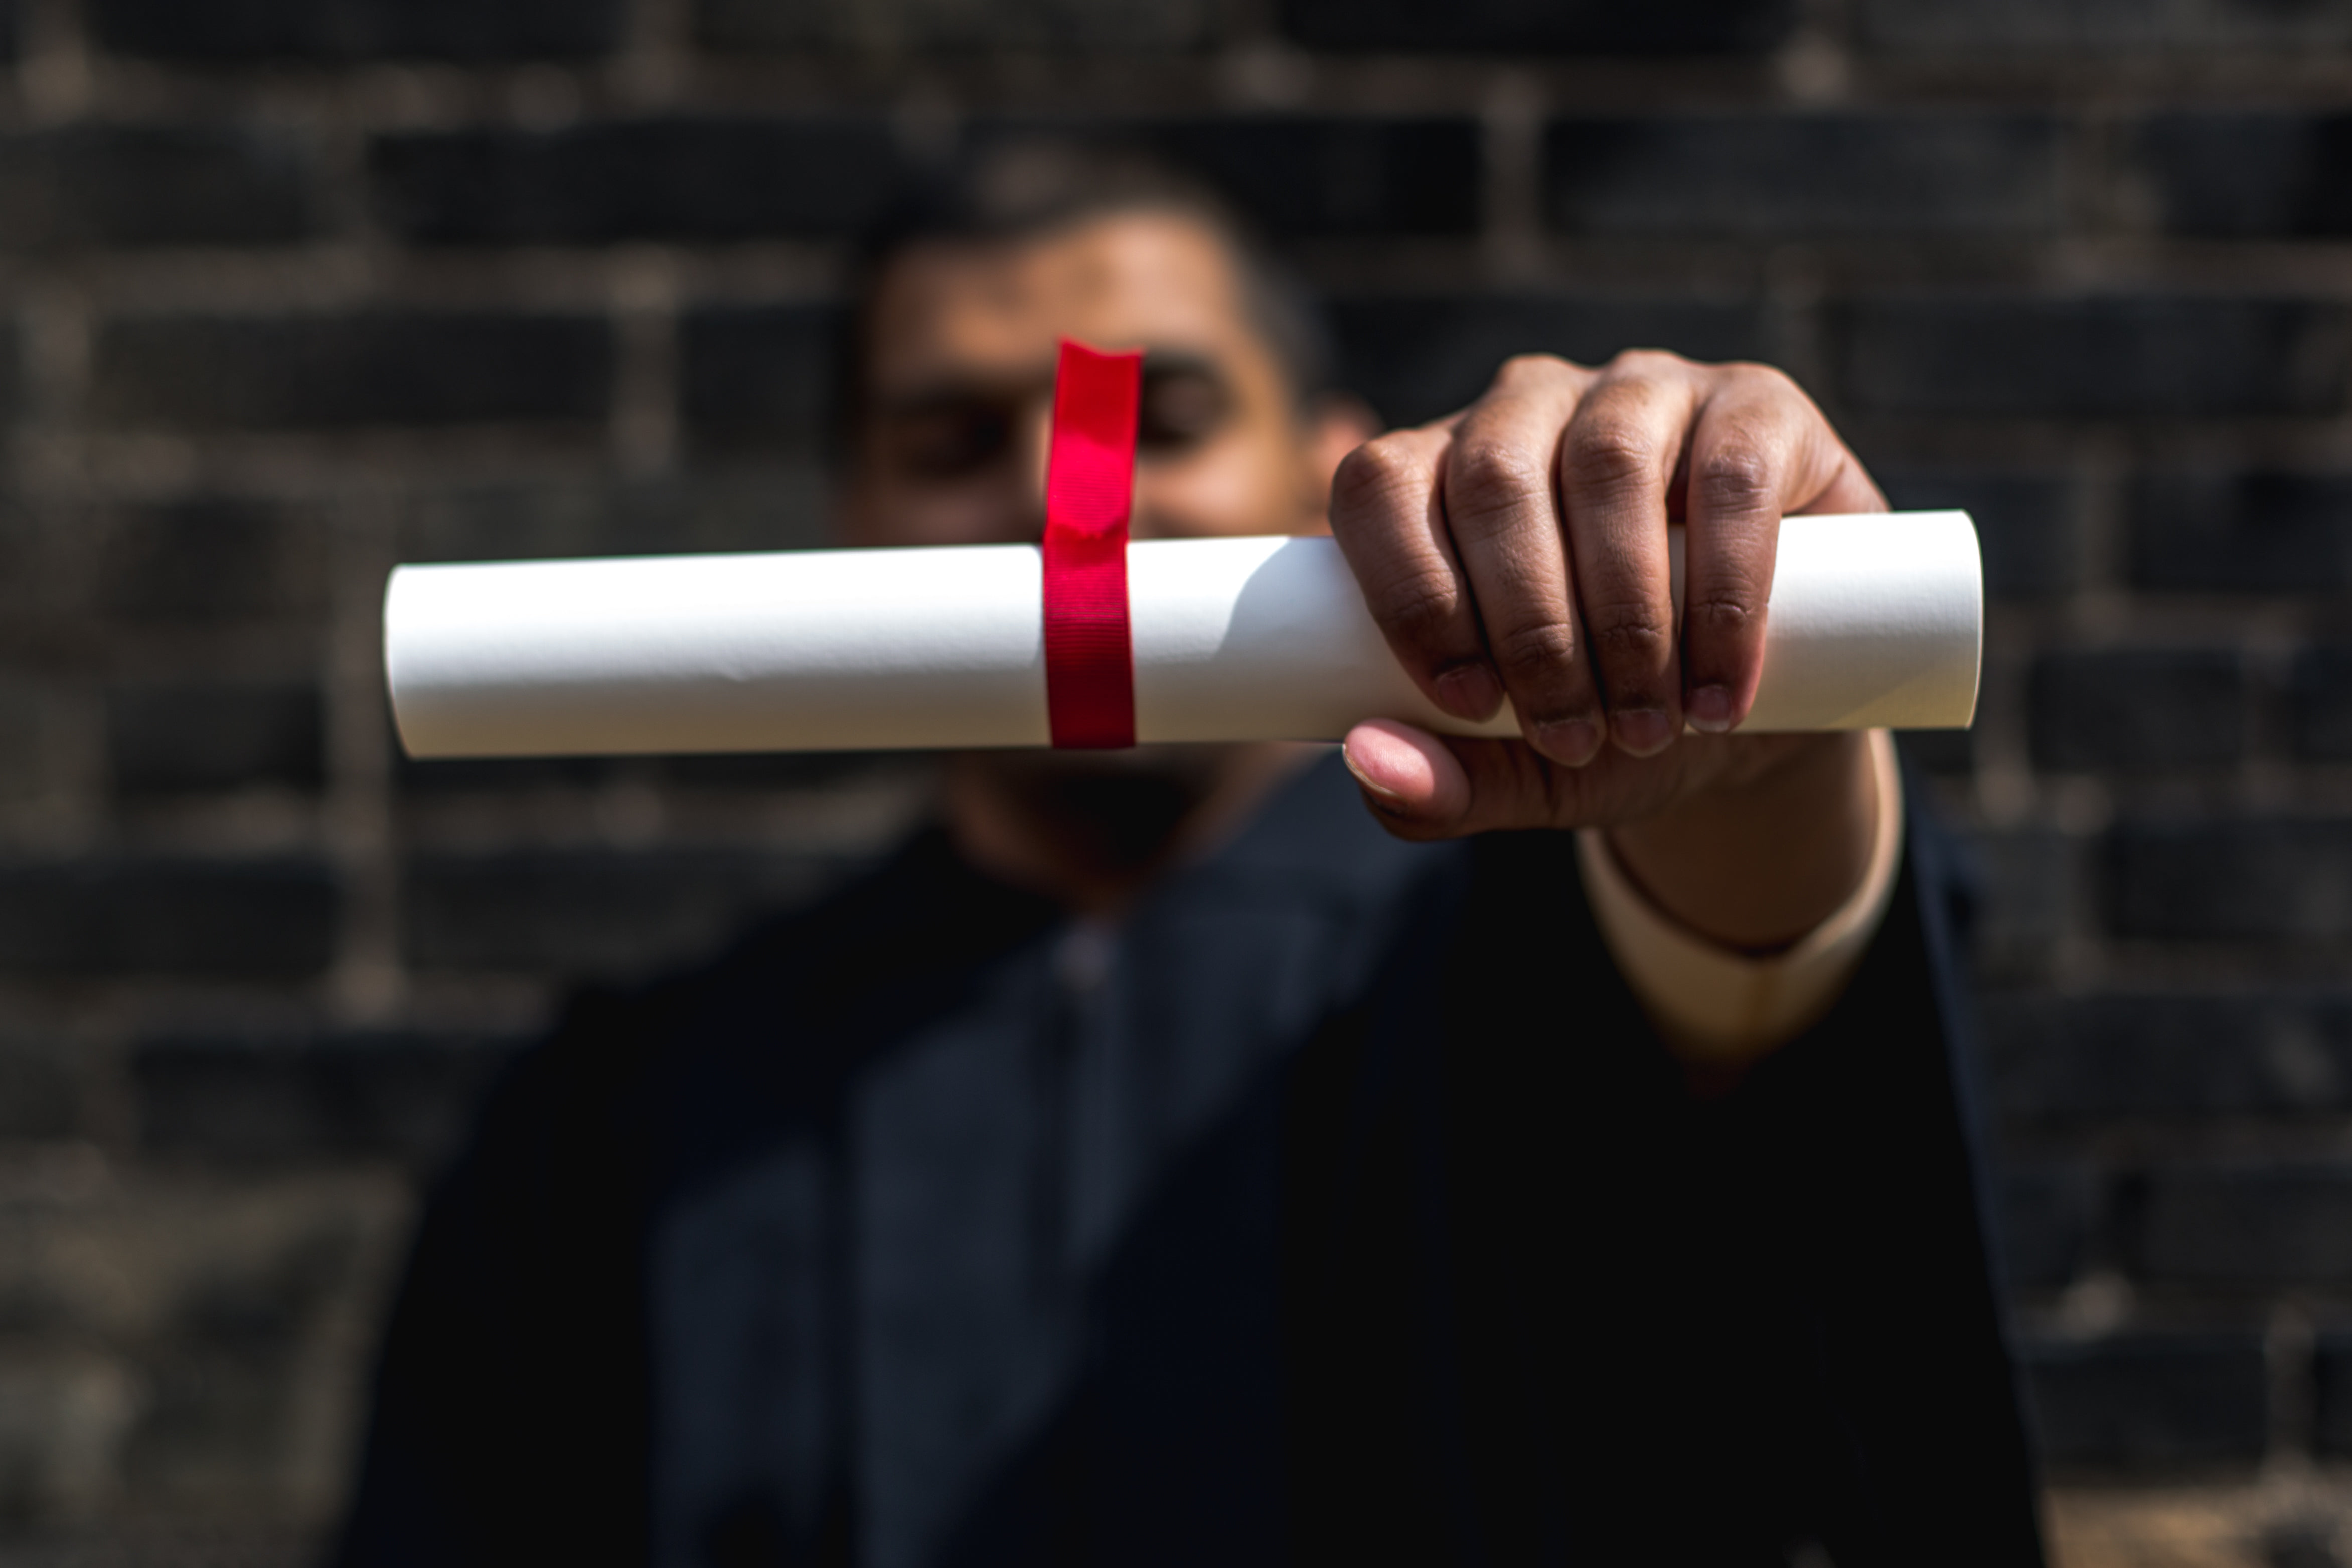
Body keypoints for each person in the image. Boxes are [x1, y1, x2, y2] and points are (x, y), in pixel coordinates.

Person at [336, 145, 2044, 1567]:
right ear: (851, 524)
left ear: (1334, 468)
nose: (1056, 498)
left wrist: (1743, 748)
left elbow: (1760, 929)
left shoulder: (1520, 952)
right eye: (946, 443)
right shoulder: (633, 1121)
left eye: (1157, 415)